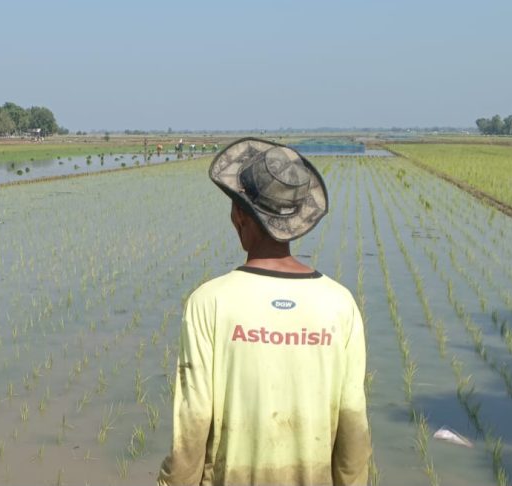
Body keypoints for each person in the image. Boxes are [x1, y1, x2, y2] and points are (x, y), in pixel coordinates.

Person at [158, 137, 370, 486]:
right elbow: (353, 423)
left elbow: (193, 424)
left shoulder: (210, 302)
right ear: (296, 220)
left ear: (238, 215)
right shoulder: (339, 304)